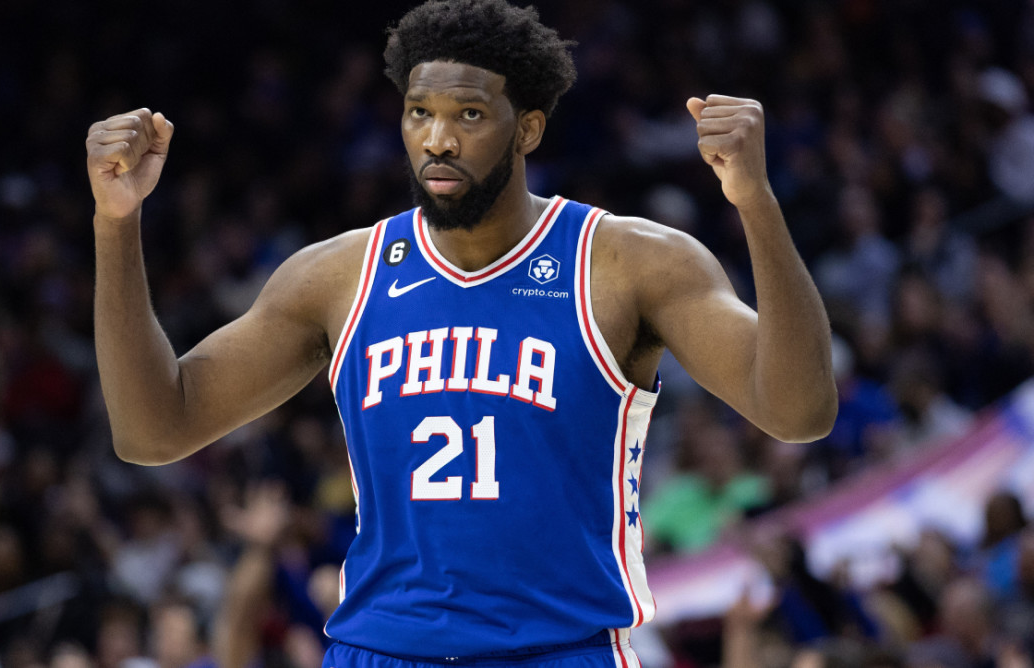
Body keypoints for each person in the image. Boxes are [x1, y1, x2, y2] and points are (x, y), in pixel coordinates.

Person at [85, 0, 836, 664]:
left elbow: (798, 411)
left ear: (527, 128)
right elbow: (154, 430)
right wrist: (115, 224)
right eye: (420, 113)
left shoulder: (626, 263)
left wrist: (756, 203)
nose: (438, 139)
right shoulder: (338, 276)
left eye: (469, 115)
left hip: (558, 651)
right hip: (379, 651)